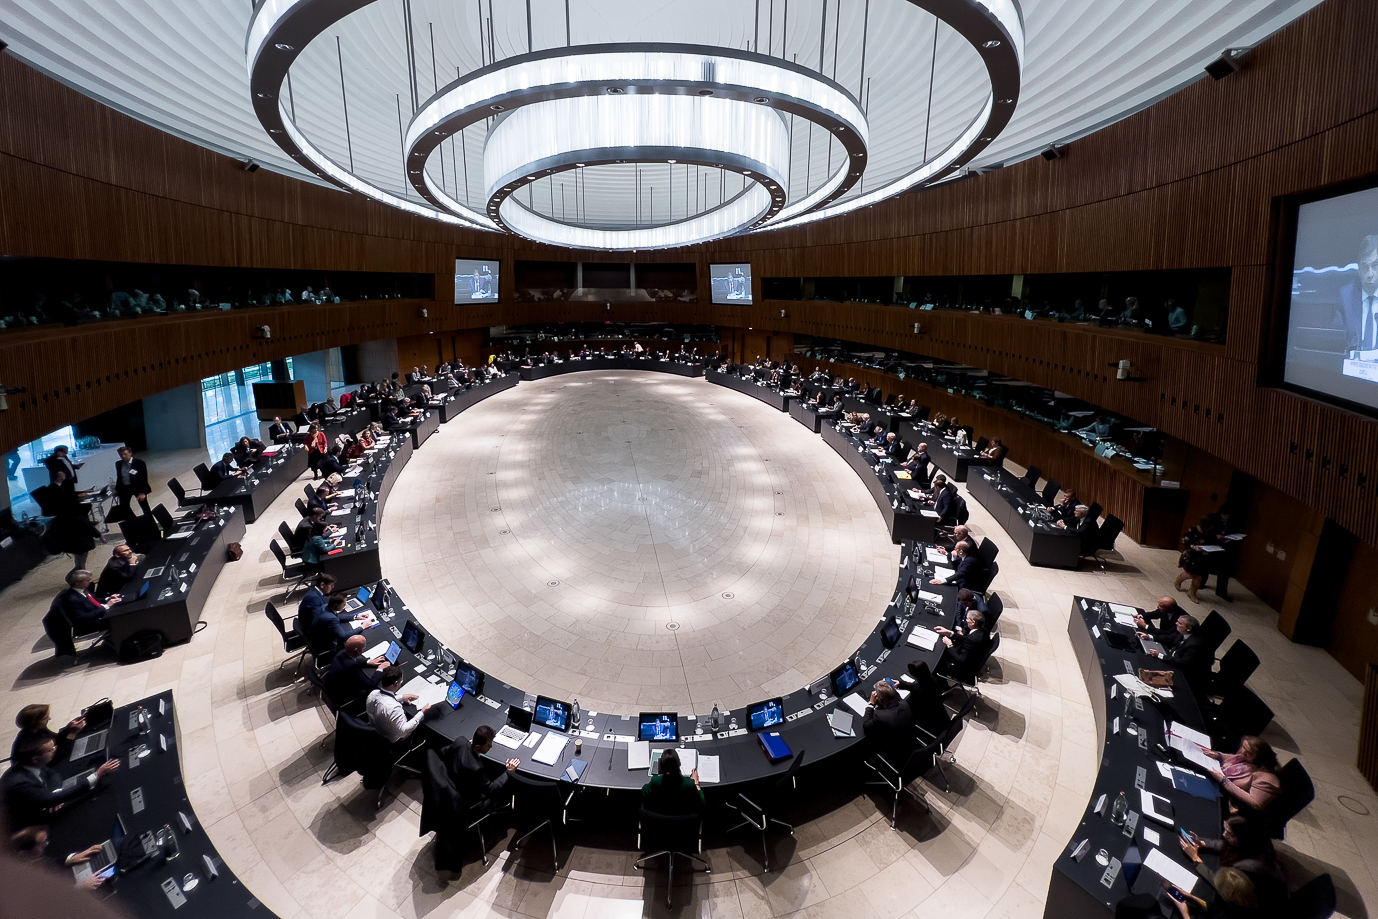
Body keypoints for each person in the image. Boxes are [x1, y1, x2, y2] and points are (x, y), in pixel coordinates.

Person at [2, 737, 120, 830]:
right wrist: (97, 774)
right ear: (35, 759)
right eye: (50, 750)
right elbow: (50, 800)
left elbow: (52, 774)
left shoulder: (28, 764)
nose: (55, 750)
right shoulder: (20, 784)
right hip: (26, 823)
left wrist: (56, 791)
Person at [441, 725, 520, 812]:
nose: (491, 746)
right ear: (478, 747)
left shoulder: (460, 741)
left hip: (453, 780)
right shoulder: (477, 768)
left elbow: (442, 752)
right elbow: (490, 789)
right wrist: (508, 772)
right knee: (505, 788)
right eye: (488, 745)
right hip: (469, 799)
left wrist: (467, 744)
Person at [1198, 737, 1283, 818]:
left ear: (1260, 757)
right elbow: (1232, 758)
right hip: (1218, 786)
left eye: (1248, 751)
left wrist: (1224, 781)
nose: (1242, 752)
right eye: (1243, 747)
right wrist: (1217, 755)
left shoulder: (1266, 779)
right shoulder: (1248, 757)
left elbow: (1255, 802)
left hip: (1230, 803)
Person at [366, 666, 432, 752]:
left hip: (376, 730)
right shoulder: (394, 708)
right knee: (424, 729)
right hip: (391, 741)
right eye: (401, 681)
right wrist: (422, 712)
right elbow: (403, 731)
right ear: (395, 684)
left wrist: (401, 697)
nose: (401, 683)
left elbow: (383, 701)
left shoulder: (373, 694)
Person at [1146, 614, 1212, 691]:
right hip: (1174, 658)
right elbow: (1168, 638)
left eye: (1180, 623)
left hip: (1186, 675)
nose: (1176, 623)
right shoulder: (1182, 632)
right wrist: (1150, 637)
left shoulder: (1194, 645)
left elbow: (1182, 663)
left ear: (1188, 629)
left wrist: (1160, 655)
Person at [323, 635, 388, 710]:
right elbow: (370, 684)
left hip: (330, 685)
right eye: (363, 647)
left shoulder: (342, 652)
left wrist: (369, 662)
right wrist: (380, 669)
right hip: (342, 694)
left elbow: (356, 660)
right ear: (356, 650)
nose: (365, 648)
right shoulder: (352, 667)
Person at [1337, 234, 1378, 352]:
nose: (1370, 274)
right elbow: (1336, 344)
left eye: (1375, 265)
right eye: (1365, 266)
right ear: (1359, 268)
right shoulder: (1346, 297)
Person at [11, 704, 86, 763]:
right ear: (35, 722)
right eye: (45, 718)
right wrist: (72, 733)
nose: (49, 718)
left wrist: (68, 728)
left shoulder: (39, 729)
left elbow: (56, 739)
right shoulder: (30, 743)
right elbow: (57, 755)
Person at [640, 748, 703, 815]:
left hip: (659, 819)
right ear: (679, 764)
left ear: (661, 766)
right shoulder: (689, 784)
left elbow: (643, 792)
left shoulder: (655, 781)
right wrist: (696, 783)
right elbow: (701, 804)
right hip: (682, 820)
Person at [934, 609, 991, 682]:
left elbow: (961, 660)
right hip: (972, 659)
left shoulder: (973, 639)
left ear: (973, 622)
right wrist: (950, 633)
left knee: (937, 659)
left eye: (967, 618)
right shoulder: (982, 631)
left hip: (962, 669)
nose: (966, 620)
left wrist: (950, 645)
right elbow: (966, 639)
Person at [862, 680, 914, 758]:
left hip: (895, 752)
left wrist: (871, 704)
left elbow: (866, 726)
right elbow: (895, 698)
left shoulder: (881, 715)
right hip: (911, 741)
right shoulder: (904, 703)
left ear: (881, 699)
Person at [112, 446, 151, 517]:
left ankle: (150, 521)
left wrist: (142, 492)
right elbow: (119, 478)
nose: (123, 456)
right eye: (121, 455)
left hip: (137, 488)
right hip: (125, 488)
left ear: (130, 453)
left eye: (125, 454)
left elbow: (143, 478)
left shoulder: (139, 463)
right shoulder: (118, 464)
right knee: (124, 507)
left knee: (145, 507)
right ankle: (131, 521)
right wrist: (117, 490)